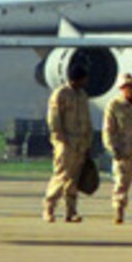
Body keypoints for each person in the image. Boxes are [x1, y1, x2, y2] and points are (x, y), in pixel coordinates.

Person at [43, 65, 93, 223]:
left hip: (80, 143)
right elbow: (54, 118)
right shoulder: (61, 94)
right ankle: (49, 207)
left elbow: (87, 119)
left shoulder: (82, 95)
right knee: (62, 175)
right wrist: (59, 139)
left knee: (73, 180)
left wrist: (88, 141)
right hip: (65, 142)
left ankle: (71, 211)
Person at [102, 73, 132, 224]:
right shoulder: (114, 105)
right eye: (126, 86)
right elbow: (108, 130)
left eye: (131, 86)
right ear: (121, 88)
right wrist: (112, 148)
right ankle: (119, 211)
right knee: (121, 184)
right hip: (123, 151)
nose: (129, 89)